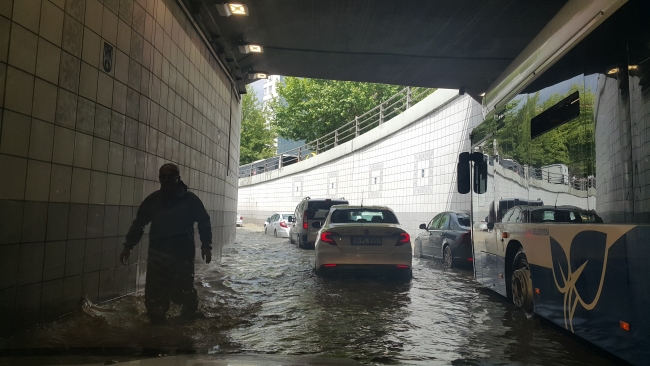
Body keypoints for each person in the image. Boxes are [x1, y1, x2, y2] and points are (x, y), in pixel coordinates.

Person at [120, 163, 212, 323]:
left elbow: (204, 221)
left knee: (184, 292)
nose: (167, 180)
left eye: (171, 176)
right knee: (155, 297)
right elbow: (139, 224)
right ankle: (157, 327)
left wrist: (206, 245)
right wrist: (128, 246)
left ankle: (188, 320)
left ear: (178, 178)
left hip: (182, 255)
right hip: (158, 255)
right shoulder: (153, 200)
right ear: (159, 178)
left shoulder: (190, 200)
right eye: (163, 176)